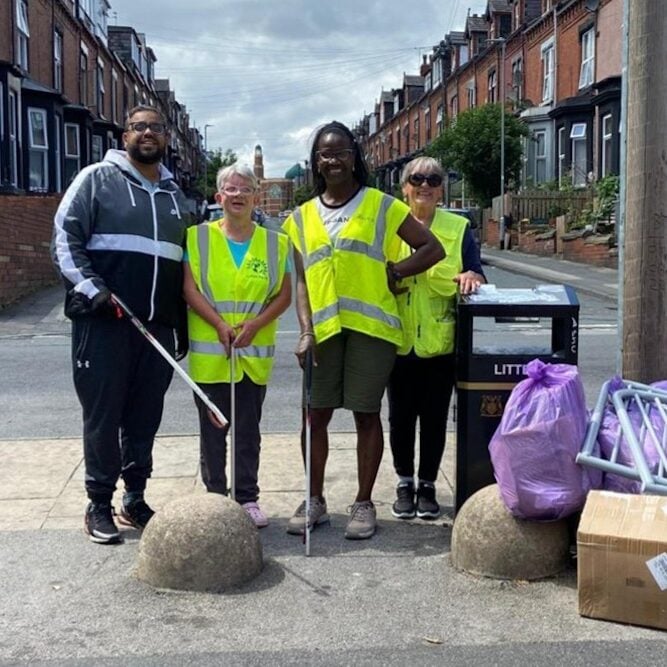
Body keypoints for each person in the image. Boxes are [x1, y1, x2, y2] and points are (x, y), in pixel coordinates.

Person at [282, 121, 444, 540]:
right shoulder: (299, 218)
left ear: (354, 157)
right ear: (315, 163)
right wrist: (305, 329)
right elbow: (301, 281)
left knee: (365, 415)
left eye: (340, 152)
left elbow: (432, 248)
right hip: (323, 331)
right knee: (314, 415)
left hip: (371, 330)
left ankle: (363, 502)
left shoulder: (381, 204)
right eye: (324, 154)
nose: (332, 160)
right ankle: (314, 499)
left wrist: (397, 270)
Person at [52, 105, 188, 544]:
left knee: (145, 417)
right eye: (139, 126)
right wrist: (94, 291)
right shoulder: (96, 179)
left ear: (166, 138)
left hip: (157, 327)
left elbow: (183, 264)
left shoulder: (174, 194)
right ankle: (98, 502)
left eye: (156, 128)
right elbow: (65, 239)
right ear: (124, 134)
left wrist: (180, 321)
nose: (148, 133)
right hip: (106, 323)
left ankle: (134, 496)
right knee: (103, 416)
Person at [183, 164, 291, 528]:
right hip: (212, 356)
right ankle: (216, 499)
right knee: (213, 433)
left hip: (252, 354)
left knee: (248, 431)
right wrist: (217, 324)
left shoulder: (277, 242)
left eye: (246, 189)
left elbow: (284, 295)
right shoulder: (196, 237)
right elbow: (189, 289)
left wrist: (256, 324)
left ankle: (247, 498)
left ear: (256, 197)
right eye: (231, 189)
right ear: (219, 197)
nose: (238, 195)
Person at [388, 157, 486, 520]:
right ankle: (403, 482)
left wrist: (472, 278)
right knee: (399, 418)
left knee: (433, 418)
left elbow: (477, 274)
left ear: (441, 188)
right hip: (397, 340)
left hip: (440, 343)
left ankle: (427, 484)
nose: (424, 185)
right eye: (416, 179)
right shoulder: (390, 224)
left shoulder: (458, 227)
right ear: (404, 187)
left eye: (433, 179)